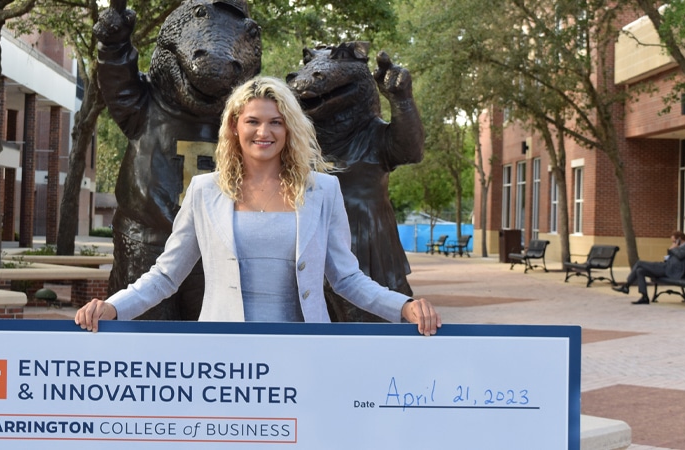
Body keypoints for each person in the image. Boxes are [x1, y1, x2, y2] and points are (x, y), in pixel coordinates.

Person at [74, 76, 441, 335]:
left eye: (276, 123)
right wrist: (114, 307)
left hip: (304, 349)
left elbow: (346, 278)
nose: (264, 132)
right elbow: (167, 275)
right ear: (235, 126)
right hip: (226, 354)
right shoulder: (204, 191)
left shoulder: (323, 191)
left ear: (289, 129)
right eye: (253, 121)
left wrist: (403, 307)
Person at [613, 231, 685, 304]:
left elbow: (680, 255)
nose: (673, 243)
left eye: (674, 241)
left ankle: (626, 286)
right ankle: (644, 297)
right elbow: (667, 260)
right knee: (640, 270)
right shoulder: (677, 248)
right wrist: (670, 251)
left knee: (639, 263)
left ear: (679, 239)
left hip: (673, 271)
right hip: (666, 267)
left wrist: (673, 248)